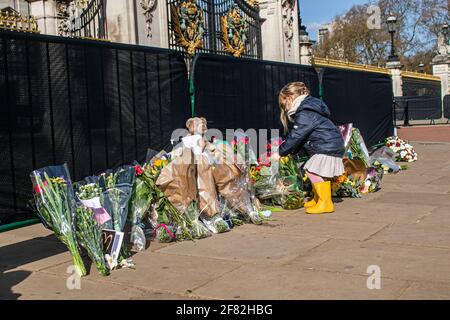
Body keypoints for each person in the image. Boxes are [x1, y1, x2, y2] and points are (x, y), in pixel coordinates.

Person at [272, 82, 345, 214]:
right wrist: (291, 151)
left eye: (283, 105)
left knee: (312, 171)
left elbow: (296, 135)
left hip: (326, 145)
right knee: (316, 171)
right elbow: (302, 137)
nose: (284, 109)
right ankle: (318, 199)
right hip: (329, 143)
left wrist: (281, 152)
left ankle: (325, 203)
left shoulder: (305, 112)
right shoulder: (308, 109)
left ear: (290, 99)